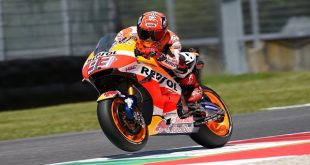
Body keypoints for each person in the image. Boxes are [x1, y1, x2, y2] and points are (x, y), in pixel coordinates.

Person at [113, 11, 221, 118]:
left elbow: (173, 63)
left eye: (156, 34)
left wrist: (157, 54)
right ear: (138, 28)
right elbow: (114, 49)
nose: (150, 38)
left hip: (161, 64)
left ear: (164, 32)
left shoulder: (172, 39)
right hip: (135, 62)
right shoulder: (126, 33)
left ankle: (192, 91)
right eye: (145, 33)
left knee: (180, 67)